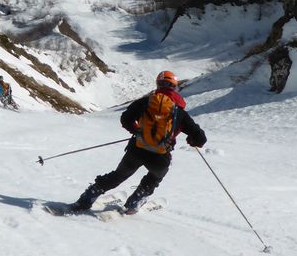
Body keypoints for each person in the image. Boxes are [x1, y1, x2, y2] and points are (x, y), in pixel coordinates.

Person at [69, 69, 207, 214]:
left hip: (136, 149)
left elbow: (126, 118)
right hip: (160, 156)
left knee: (118, 175)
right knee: (155, 176)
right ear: (174, 87)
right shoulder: (179, 112)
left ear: (158, 84)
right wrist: (191, 140)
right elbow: (200, 138)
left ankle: (87, 198)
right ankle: (134, 201)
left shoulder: (146, 102)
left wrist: (137, 132)